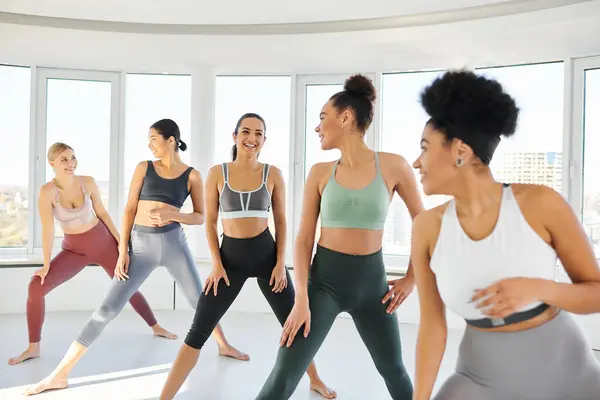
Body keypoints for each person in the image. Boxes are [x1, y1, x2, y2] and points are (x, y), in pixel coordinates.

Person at [410, 70, 600, 400]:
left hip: (569, 372)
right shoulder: (426, 228)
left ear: (461, 150)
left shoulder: (540, 203)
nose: (417, 162)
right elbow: (431, 326)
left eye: (424, 148)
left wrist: (539, 288)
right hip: (480, 378)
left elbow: (596, 293)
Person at [24, 119, 247, 396]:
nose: (149, 144)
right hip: (140, 247)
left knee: (199, 299)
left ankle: (223, 345)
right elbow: (129, 209)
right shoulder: (144, 167)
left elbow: (201, 217)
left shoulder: (192, 176)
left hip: (175, 245)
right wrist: (121, 252)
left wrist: (173, 214)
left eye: (154, 138)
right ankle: (60, 374)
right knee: (107, 310)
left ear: (171, 140)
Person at [255, 75, 424, 400]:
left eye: (322, 118)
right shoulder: (319, 172)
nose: (317, 127)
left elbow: (424, 221)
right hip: (324, 286)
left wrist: (412, 278)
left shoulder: (394, 166)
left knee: (394, 370)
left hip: (373, 287)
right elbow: (304, 239)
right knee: (285, 373)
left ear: (345, 118)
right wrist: (301, 299)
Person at [159, 113, 336, 400]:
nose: (251, 138)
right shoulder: (218, 173)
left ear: (264, 140)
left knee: (296, 324)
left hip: (267, 259)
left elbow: (281, 222)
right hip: (229, 263)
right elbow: (210, 223)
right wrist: (216, 265)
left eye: (258, 133)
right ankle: (165, 396)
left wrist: (280, 264)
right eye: (245, 131)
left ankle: (315, 379)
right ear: (235, 136)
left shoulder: (273, 173)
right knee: (197, 331)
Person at [8, 142, 174, 366]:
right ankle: (33, 347)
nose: (71, 163)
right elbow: (48, 230)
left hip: (105, 243)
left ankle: (155, 326)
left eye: (73, 158)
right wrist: (46, 264)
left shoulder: (87, 182)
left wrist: (121, 243)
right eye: (64, 159)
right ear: (52, 164)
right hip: (74, 250)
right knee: (35, 287)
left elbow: (103, 213)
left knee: (128, 286)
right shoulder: (47, 192)